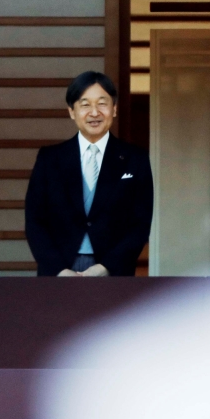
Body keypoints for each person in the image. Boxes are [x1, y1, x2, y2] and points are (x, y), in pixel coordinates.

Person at [26, 71, 153, 277]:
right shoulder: (50, 159)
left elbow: (140, 223)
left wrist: (107, 267)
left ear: (114, 109)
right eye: (85, 105)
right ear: (72, 111)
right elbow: (35, 221)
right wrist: (58, 269)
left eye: (102, 103)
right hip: (59, 270)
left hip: (113, 270)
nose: (94, 112)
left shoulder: (135, 159)